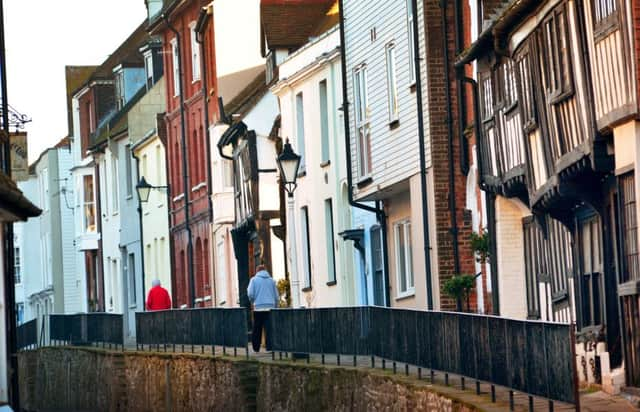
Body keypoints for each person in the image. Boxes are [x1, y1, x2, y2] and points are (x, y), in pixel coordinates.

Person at [247, 264, 279, 352]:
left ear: (257, 271)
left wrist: (253, 301)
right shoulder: (271, 281)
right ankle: (270, 347)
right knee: (269, 328)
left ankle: (256, 348)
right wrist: (276, 305)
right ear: (265, 271)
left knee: (257, 328)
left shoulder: (253, 280)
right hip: (270, 308)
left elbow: (250, 293)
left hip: (258, 308)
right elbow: (276, 296)